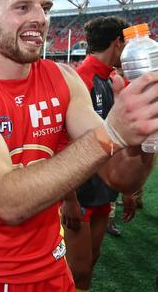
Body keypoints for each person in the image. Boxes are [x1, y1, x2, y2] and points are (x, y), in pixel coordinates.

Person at [0, 0, 155, 291]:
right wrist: (111, 133)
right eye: (22, 7)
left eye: (44, 7)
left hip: (52, 269)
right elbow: (6, 200)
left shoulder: (64, 79)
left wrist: (144, 136)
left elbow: (121, 176)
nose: (40, 18)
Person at [61, 16, 148, 292]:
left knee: (92, 261)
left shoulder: (113, 80)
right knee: (78, 270)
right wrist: (69, 199)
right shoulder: (80, 80)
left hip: (104, 190)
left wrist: (127, 191)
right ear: (118, 42)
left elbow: (121, 142)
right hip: (80, 190)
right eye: (128, 42)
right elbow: (62, 144)